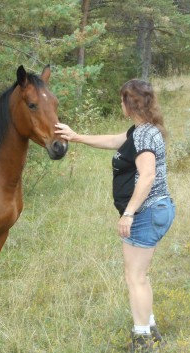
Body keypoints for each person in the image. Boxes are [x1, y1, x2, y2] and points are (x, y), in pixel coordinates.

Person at [55, 79, 175, 353]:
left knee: (136, 277)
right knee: (139, 275)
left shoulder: (144, 135)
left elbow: (147, 176)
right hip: (157, 209)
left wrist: (129, 214)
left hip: (146, 211)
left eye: (122, 100)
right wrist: (76, 136)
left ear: (130, 103)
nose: (120, 104)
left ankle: (143, 340)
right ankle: (150, 327)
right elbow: (113, 140)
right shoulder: (142, 130)